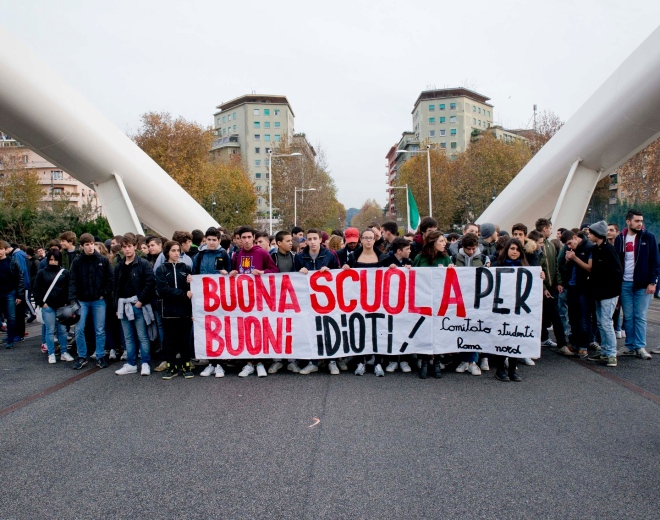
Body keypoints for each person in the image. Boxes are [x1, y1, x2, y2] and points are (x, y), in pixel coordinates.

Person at [230, 226, 279, 377]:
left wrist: (263, 272)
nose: (246, 240)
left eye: (248, 237)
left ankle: (260, 363)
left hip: (260, 299)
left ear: (253, 238)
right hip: (243, 300)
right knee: (245, 331)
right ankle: (249, 363)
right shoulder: (236, 255)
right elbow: (233, 273)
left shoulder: (262, 253)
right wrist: (233, 273)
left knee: (259, 330)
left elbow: (275, 271)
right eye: (243, 237)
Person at [613, 209, 659, 359]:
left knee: (640, 316)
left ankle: (640, 346)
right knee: (628, 316)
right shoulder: (620, 238)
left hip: (642, 283)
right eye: (637, 221)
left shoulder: (648, 237)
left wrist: (653, 282)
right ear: (628, 221)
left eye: (641, 221)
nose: (640, 224)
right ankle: (630, 346)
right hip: (625, 283)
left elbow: (655, 261)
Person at [295, 228, 341, 375]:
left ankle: (331, 361)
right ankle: (313, 361)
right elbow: (293, 279)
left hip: (328, 300)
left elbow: (339, 274)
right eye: (310, 239)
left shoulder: (330, 255)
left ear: (321, 240)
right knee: (312, 330)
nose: (313, 242)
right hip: (309, 301)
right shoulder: (300, 257)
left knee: (329, 330)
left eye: (315, 238)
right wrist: (299, 273)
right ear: (306, 241)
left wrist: (331, 272)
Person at [344, 228, 387, 376]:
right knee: (359, 331)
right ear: (361, 240)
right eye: (365, 238)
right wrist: (345, 269)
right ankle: (360, 362)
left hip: (378, 300)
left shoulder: (383, 257)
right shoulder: (353, 258)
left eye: (371, 238)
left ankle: (378, 363)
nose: (368, 240)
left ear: (375, 240)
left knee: (377, 331)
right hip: (358, 300)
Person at [411, 232, 453, 378]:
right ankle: (424, 361)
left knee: (437, 331)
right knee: (424, 330)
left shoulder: (446, 258)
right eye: (441, 241)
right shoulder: (420, 258)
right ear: (432, 242)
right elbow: (412, 277)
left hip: (440, 300)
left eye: (445, 241)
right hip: (423, 300)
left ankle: (435, 362)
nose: (444, 243)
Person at [113, 234, 156, 376]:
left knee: (142, 336)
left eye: (129, 246)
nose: (127, 250)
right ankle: (131, 363)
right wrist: (116, 307)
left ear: (135, 246)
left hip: (137, 304)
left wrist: (140, 301)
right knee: (128, 337)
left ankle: (145, 363)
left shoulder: (143, 264)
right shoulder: (119, 266)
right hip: (123, 305)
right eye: (124, 247)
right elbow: (116, 288)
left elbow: (150, 284)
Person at [69, 233, 113, 369]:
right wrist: (72, 299)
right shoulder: (77, 262)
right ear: (82, 246)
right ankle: (82, 356)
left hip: (98, 300)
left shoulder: (102, 260)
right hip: (82, 300)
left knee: (99, 329)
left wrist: (103, 293)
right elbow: (73, 281)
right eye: (87, 244)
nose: (90, 247)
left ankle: (100, 356)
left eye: (92, 243)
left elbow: (110, 279)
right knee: (79, 329)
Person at [194, 227, 231, 378]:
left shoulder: (223, 254)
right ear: (205, 240)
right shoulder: (200, 255)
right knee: (207, 330)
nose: (211, 242)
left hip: (219, 299)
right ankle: (211, 363)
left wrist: (226, 274)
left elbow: (230, 274)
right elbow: (195, 273)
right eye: (208, 240)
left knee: (220, 330)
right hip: (204, 299)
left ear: (219, 241)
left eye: (214, 240)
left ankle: (220, 364)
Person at [584, 221, 622, 367]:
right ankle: (606, 351)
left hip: (608, 292)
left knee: (606, 322)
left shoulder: (608, 250)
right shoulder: (597, 249)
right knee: (601, 322)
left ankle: (612, 353)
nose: (589, 235)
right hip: (600, 292)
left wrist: (613, 290)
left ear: (597, 235)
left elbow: (617, 272)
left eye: (591, 233)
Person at [491, 238, 529, 381]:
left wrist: (540, 276)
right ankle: (500, 369)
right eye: (512, 249)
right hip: (501, 309)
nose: (515, 252)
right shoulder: (496, 265)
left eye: (518, 249)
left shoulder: (526, 267)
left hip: (517, 308)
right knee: (502, 338)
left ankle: (512, 369)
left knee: (515, 338)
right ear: (507, 250)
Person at [155, 240, 194, 379]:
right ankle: (171, 366)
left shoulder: (186, 268)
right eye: (173, 251)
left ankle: (186, 365)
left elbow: (193, 289)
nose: (176, 253)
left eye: (178, 250)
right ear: (167, 252)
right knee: (170, 340)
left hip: (184, 310)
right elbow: (163, 290)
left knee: (184, 339)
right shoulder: (161, 269)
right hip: (169, 311)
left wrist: (191, 283)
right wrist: (183, 293)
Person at [451, 232, 488, 376]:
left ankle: (472, 361)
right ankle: (465, 360)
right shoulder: (454, 258)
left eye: (473, 249)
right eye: (468, 249)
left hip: (477, 299)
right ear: (463, 248)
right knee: (462, 329)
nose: (471, 252)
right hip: (460, 299)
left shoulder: (484, 259)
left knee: (474, 329)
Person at [32, 249, 75, 364]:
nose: (53, 262)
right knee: (50, 330)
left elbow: (69, 288)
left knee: (61, 330)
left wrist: (67, 302)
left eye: (55, 259)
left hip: (61, 305)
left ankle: (63, 352)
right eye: (51, 259)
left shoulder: (64, 273)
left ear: (59, 260)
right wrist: (42, 303)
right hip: (48, 305)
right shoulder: (42, 273)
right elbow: (36, 289)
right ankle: (51, 353)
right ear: (47, 259)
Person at [268, 230, 301, 374]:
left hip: (291, 300)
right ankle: (277, 361)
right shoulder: (272, 257)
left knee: (291, 329)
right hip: (275, 299)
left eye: (291, 241)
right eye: (287, 241)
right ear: (279, 243)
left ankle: (291, 361)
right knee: (276, 329)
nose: (291, 243)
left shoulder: (295, 257)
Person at [535, 218, 568, 356]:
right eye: (550, 228)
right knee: (548, 315)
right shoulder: (536, 245)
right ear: (544, 229)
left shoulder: (550, 246)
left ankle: (557, 342)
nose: (551, 231)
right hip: (541, 287)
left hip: (552, 286)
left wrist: (558, 282)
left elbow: (555, 266)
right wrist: (543, 288)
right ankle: (560, 343)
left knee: (553, 315)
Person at [561, 230, 594, 358]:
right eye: (567, 245)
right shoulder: (572, 249)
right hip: (572, 286)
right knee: (573, 317)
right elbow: (568, 267)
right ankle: (574, 343)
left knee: (584, 317)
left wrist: (575, 258)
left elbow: (590, 268)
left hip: (584, 288)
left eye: (570, 243)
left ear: (575, 237)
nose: (570, 246)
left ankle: (583, 346)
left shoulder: (589, 247)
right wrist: (568, 260)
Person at [0, 240, 23, 350]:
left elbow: (20, 277)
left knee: (11, 317)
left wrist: (19, 294)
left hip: (10, 292)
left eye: (1, 249)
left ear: (5, 250)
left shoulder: (12, 261)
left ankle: (10, 340)